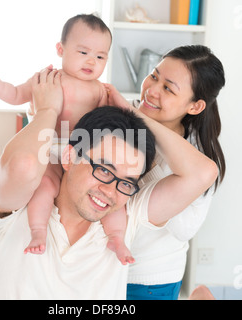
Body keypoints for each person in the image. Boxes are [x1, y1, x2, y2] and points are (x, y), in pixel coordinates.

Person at [0, 67, 217, 299]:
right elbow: (23, 164)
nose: (110, 191)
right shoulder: (20, 206)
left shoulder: (126, 216)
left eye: (126, 182)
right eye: (104, 170)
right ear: (69, 156)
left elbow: (204, 173)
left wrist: (136, 116)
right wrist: (47, 110)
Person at [0, 14, 135, 264]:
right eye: (83, 52)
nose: (92, 60)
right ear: (61, 49)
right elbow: (15, 94)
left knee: (112, 198)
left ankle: (116, 238)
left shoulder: (100, 90)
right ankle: (38, 232)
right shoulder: (47, 79)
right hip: (47, 153)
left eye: (100, 56)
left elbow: (109, 127)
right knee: (45, 187)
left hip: (81, 159)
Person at [105, 45, 225, 300]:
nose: (152, 90)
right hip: (101, 268)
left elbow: (185, 229)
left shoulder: (196, 157)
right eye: (154, 76)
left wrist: (137, 118)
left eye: (168, 88)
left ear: (194, 106)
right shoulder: (123, 113)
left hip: (147, 280)